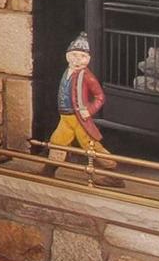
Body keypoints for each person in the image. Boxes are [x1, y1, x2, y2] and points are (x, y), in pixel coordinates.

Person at [45, 32, 114, 180]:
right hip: (65, 118)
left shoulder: (87, 76)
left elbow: (100, 97)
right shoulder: (67, 71)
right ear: (68, 56)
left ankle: (113, 175)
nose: (77, 60)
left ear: (88, 59)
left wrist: (89, 110)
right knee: (57, 142)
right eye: (74, 55)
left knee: (91, 146)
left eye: (82, 57)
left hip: (78, 119)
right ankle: (48, 171)